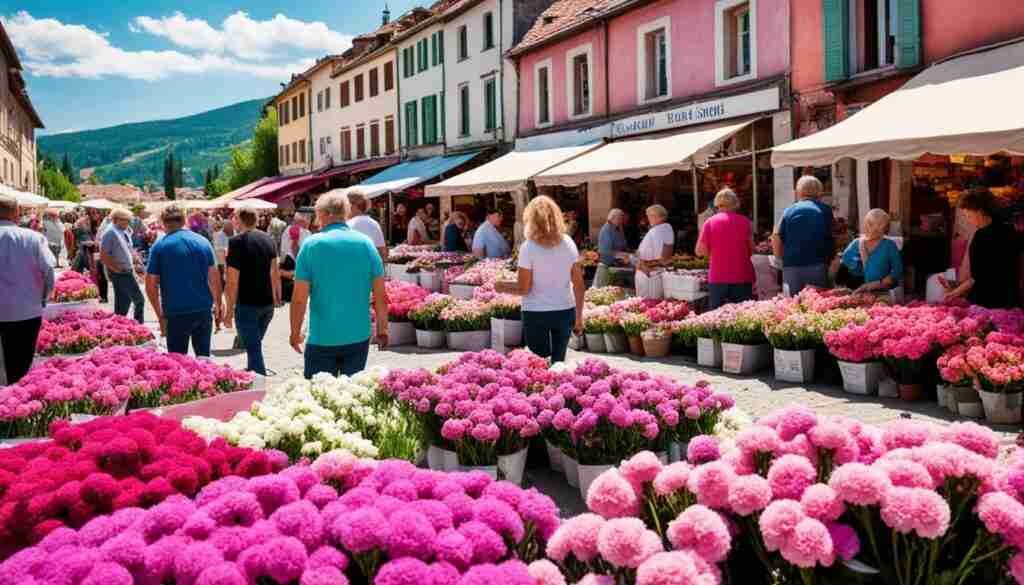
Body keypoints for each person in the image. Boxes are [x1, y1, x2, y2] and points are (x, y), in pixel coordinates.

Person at [290, 190, 388, 378]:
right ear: (345, 213)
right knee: (350, 396)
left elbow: (299, 299)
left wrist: (295, 332)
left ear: (323, 214)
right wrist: (383, 329)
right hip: (358, 334)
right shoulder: (366, 244)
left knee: (321, 398)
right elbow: (380, 295)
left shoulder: (311, 245)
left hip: (322, 336)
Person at [499, 196, 584, 363]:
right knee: (558, 363)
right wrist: (579, 317)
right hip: (564, 310)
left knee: (538, 365)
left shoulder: (528, 247)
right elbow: (579, 285)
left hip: (536, 312)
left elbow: (524, 288)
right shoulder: (568, 243)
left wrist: (500, 285)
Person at [145, 204, 223, 357]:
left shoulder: (159, 246)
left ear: (163, 222)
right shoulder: (203, 242)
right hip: (202, 310)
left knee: (178, 363)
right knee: (204, 360)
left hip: (175, 313)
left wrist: (160, 316)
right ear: (184, 220)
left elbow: (150, 285)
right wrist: (219, 304)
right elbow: (214, 277)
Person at [0, 193, 55, 384]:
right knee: (20, 367)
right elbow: (48, 270)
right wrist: (43, 299)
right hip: (26, 310)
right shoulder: (34, 238)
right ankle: (14, 407)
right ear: (16, 213)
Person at [223, 205, 280, 376]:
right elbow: (275, 273)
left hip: (247, 303)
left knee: (253, 347)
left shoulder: (236, 242)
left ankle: (258, 382)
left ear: (239, 220)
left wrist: (229, 312)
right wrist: (277, 298)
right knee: (254, 345)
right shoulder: (268, 239)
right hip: (267, 303)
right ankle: (252, 372)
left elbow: (232, 282)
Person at [942, 188, 1022, 308]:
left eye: (968, 216)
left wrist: (955, 292)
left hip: (989, 301)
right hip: (1010, 298)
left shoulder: (981, 236)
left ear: (979, 212)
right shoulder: (1010, 229)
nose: (968, 220)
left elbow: (977, 277)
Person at [773, 175, 835, 296]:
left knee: (791, 305)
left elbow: (776, 236)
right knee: (816, 304)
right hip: (818, 263)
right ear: (819, 192)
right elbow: (833, 235)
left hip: (792, 265)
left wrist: (780, 259)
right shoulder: (825, 210)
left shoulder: (789, 211)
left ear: (798, 192)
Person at [696, 189, 756, 309]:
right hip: (742, 274)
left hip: (718, 276)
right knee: (743, 316)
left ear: (717, 204)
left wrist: (714, 253)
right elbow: (752, 249)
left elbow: (699, 251)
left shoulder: (710, 222)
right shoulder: (745, 222)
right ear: (735, 203)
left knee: (715, 318)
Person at [832, 208, 903, 294]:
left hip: (865, 293)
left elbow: (843, 267)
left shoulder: (857, 243)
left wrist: (872, 283)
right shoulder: (889, 245)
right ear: (885, 227)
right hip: (871, 294)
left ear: (866, 224)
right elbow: (897, 272)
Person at [100, 207, 146, 323]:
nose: (128, 222)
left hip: (125, 271)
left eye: (128, 220)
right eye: (125, 220)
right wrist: (116, 269)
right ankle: (138, 326)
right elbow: (104, 255)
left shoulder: (121, 231)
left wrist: (135, 258)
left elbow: (128, 248)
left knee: (123, 303)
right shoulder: (110, 233)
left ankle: (119, 327)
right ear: (116, 219)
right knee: (139, 300)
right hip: (121, 272)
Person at [635, 205, 674, 298]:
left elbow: (658, 256)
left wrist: (644, 266)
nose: (648, 219)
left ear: (657, 217)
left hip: (649, 272)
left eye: (649, 216)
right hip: (657, 272)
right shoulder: (668, 228)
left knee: (646, 303)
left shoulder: (656, 231)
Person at [346, 189, 388, 261]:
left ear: (352, 206)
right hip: (370, 269)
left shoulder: (348, 225)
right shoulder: (374, 223)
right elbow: (382, 252)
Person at [594, 209, 629, 288]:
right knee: (602, 290)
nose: (621, 221)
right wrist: (622, 255)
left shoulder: (618, 228)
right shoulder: (606, 230)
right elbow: (605, 250)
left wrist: (627, 252)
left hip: (615, 266)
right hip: (606, 266)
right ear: (613, 218)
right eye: (620, 218)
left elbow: (623, 244)